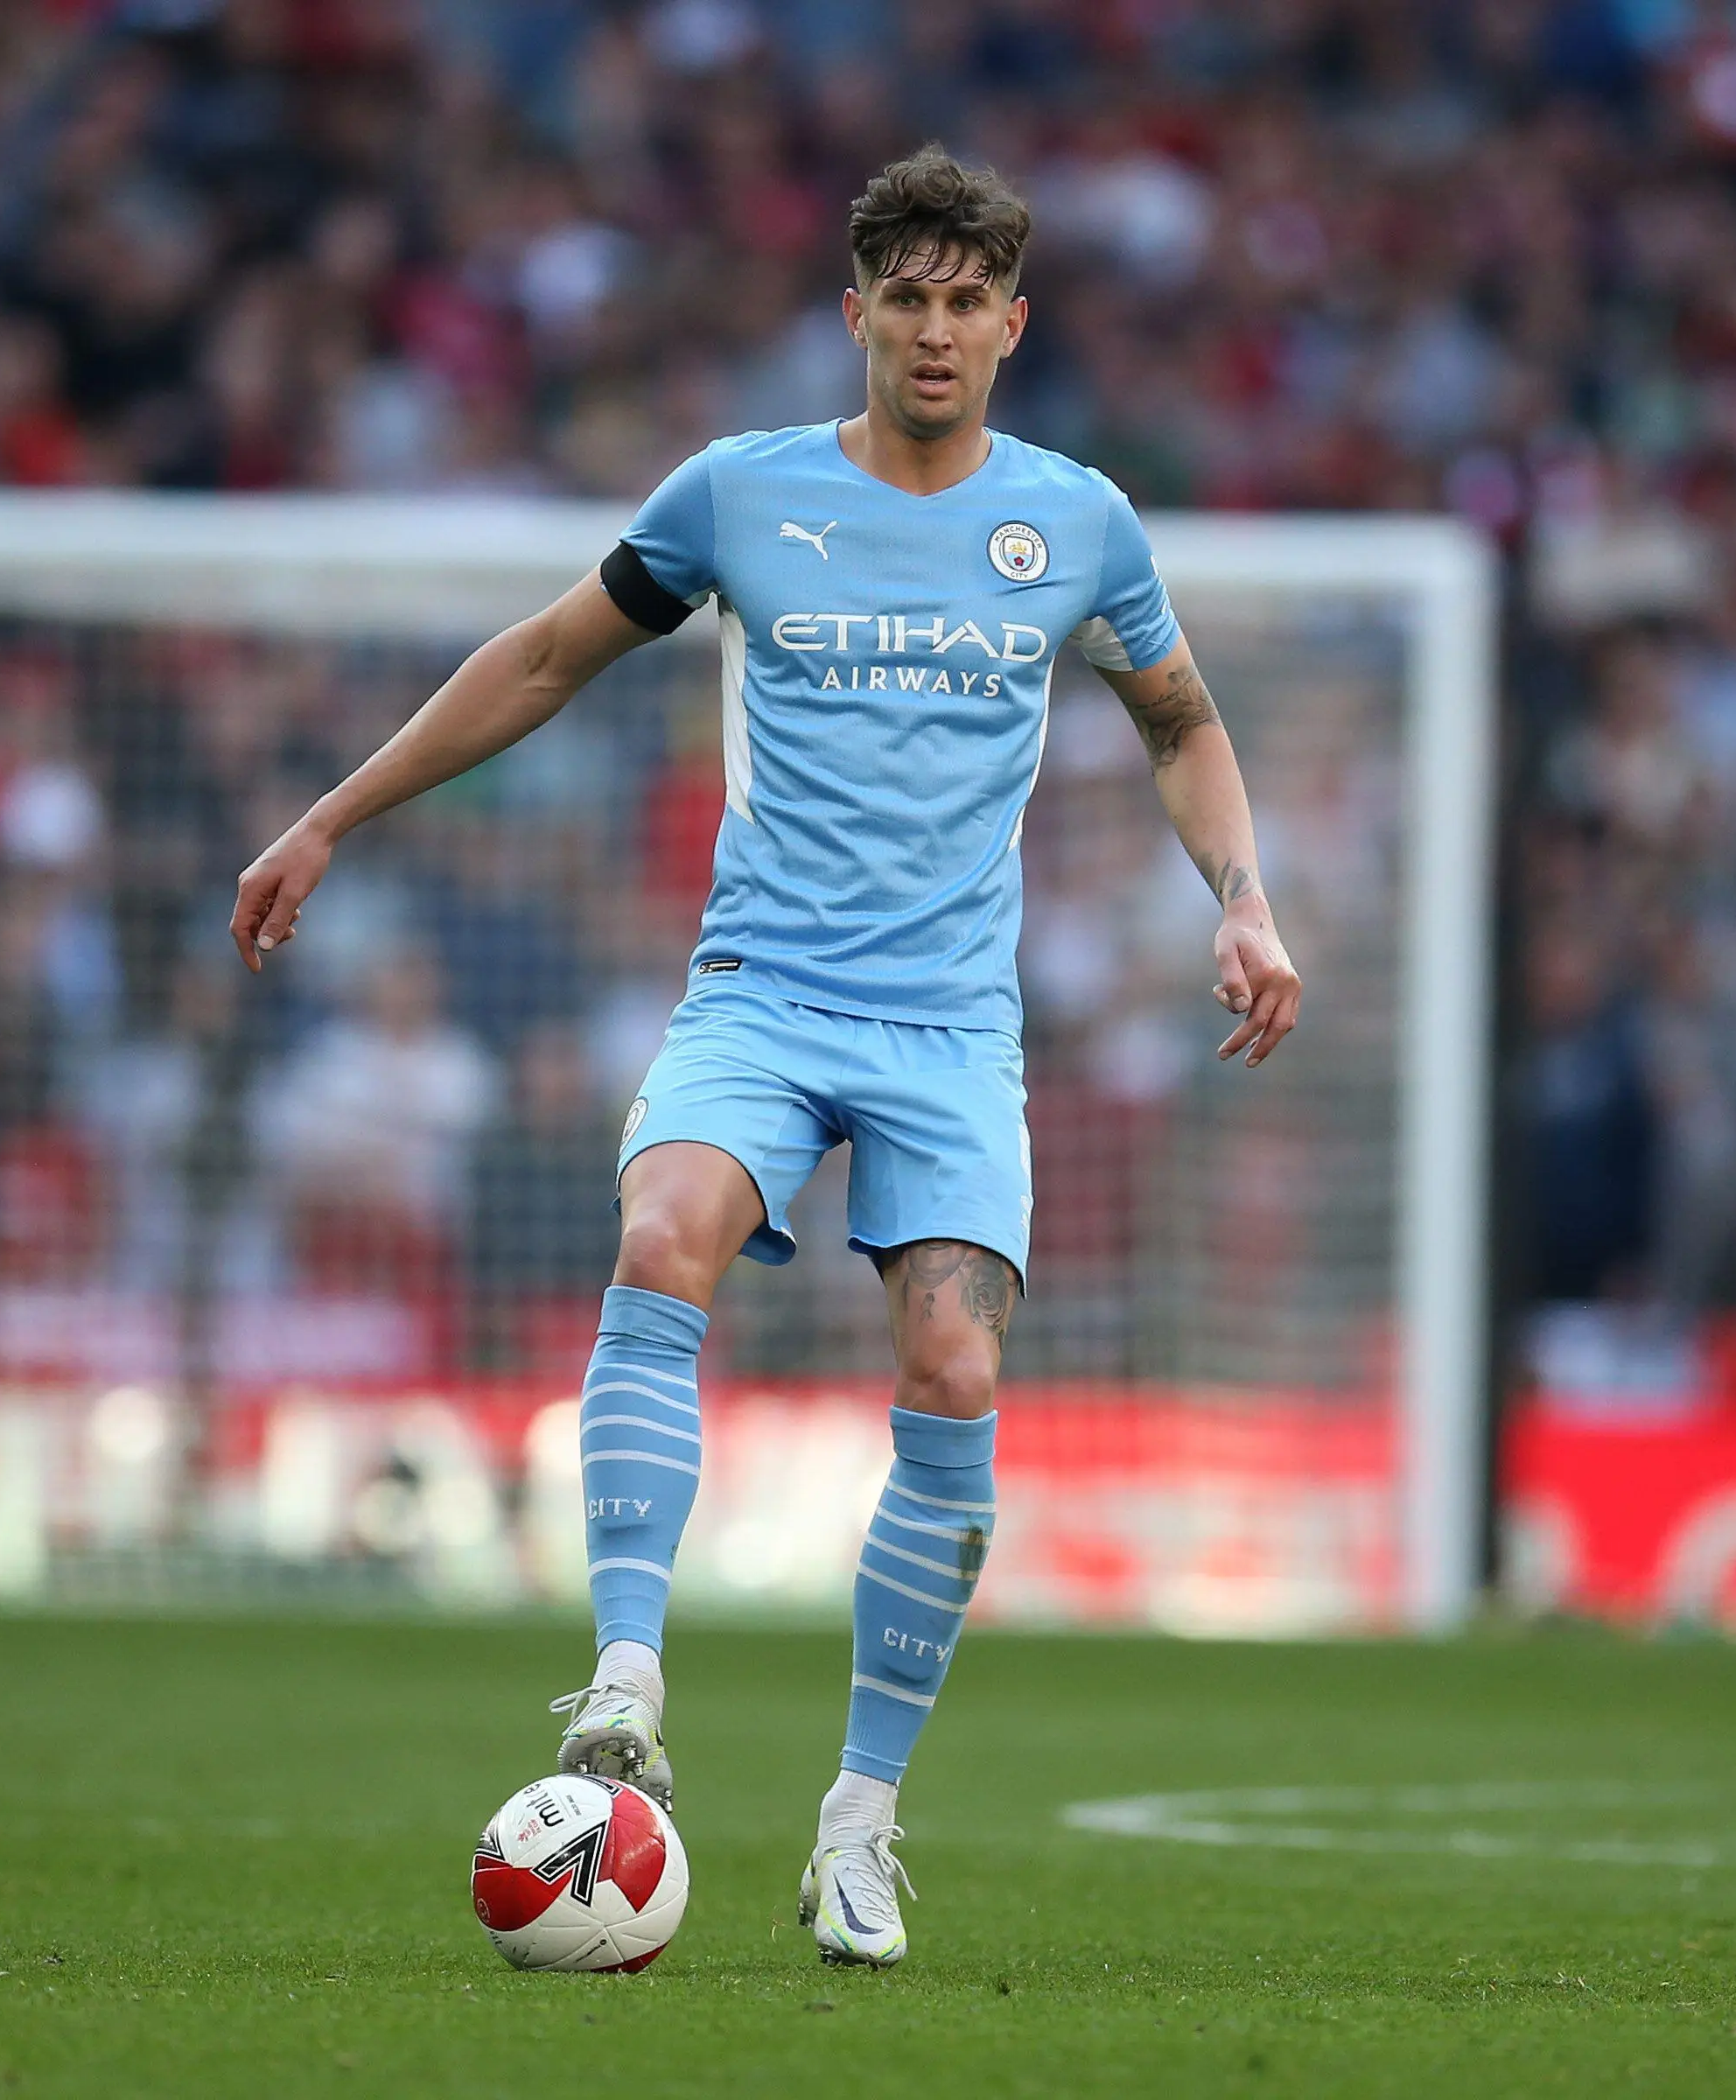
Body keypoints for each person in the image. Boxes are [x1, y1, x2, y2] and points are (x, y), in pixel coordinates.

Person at [229, 148, 1298, 1967]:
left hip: (953, 1030)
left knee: (956, 1365)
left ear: (1013, 324)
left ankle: (861, 1828)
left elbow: (1181, 721)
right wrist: (335, 814)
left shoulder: (1081, 525)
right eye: (910, 297)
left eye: (972, 301)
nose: (939, 329)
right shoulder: (743, 496)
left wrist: (1248, 900)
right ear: (857, 314)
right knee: (662, 1240)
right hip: (763, 994)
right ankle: (625, 1679)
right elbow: (554, 656)